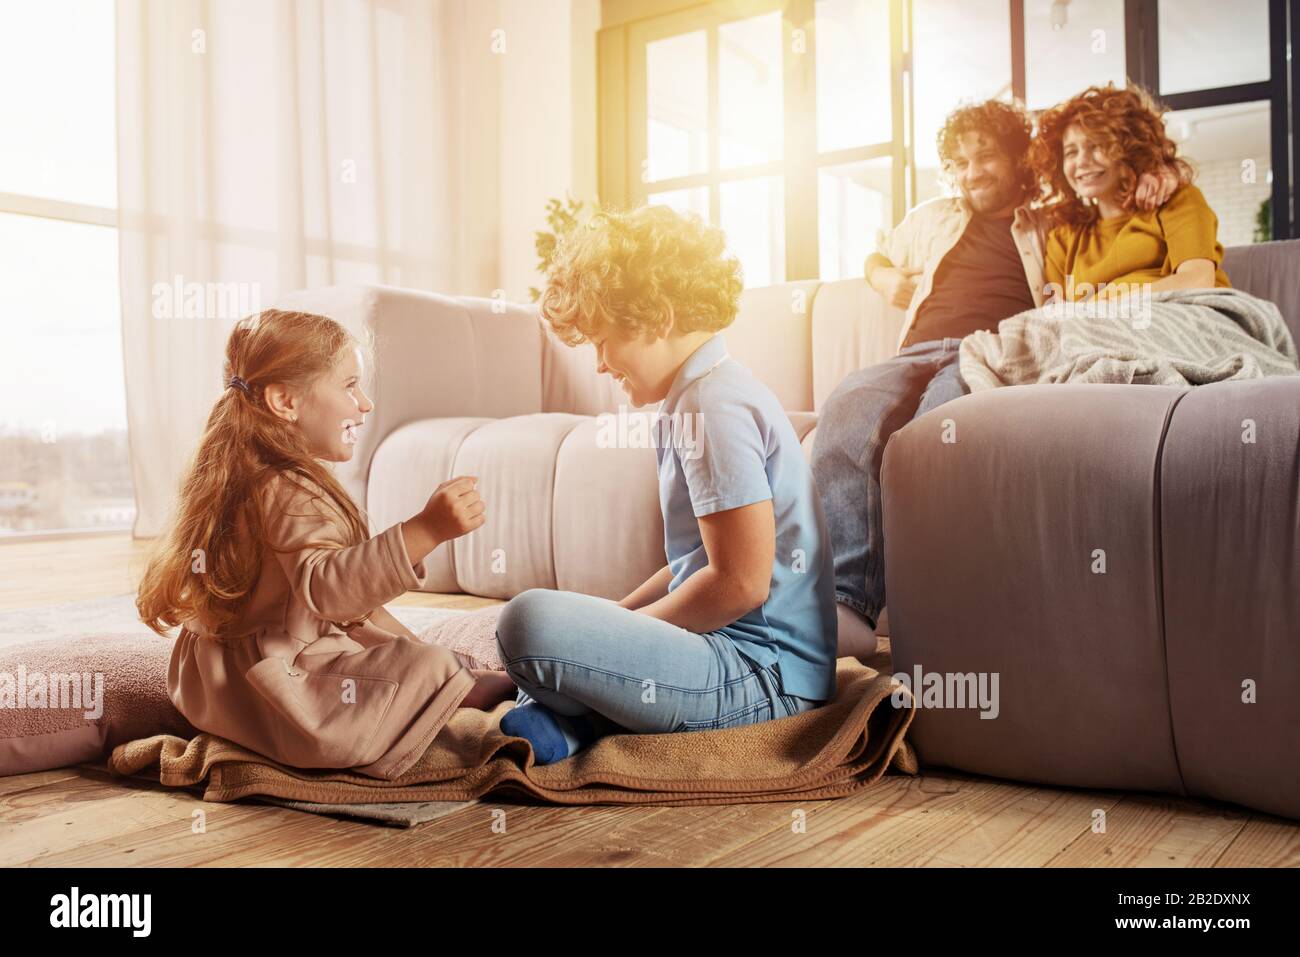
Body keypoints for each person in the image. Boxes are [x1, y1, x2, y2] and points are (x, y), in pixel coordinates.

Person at [811, 98, 1181, 661]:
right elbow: (877, 256)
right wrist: (884, 279)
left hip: (988, 351)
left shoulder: (1052, 217)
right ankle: (843, 603)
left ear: (1017, 158)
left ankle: (930, 607)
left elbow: (1112, 193)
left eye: (985, 156)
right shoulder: (934, 216)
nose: (971, 172)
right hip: (913, 350)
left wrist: (1168, 173)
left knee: (932, 433)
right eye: (959, 162)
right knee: (847, 405)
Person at [494, 205, 837, 765]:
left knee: (525, 623)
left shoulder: (710, 404)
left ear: (656, 317)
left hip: (763, 679)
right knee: (575, 630)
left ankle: (568, 703)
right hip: (743, 663)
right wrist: (616, 622)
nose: (601, 364)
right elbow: (702, 561)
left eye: (603, 341)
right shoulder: (701, 393)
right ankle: (571, 724)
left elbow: (741, 585)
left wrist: (612, 641)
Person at [136, 308, 516, 779]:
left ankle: (458, 684)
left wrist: (428, 654)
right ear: (284, 401)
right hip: (281, 693)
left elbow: (354, 613)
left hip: (218, 688)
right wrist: (427, 530)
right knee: (429, 667)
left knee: (422, 657)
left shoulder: (250, 476)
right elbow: (332, 593)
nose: (365, 404)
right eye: (350, 385)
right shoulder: (288, 489)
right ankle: (481, 700)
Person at [1030, 82, 1231, 307]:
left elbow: (1196, 280)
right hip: (1100, 333)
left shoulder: (1178, 200)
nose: (1082, 161)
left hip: (1180, 317)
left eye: (1097, 146)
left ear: (1128, 149)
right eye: (1071, 152)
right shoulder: (1064, 237)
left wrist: (1103, 306)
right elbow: (1058, 314)